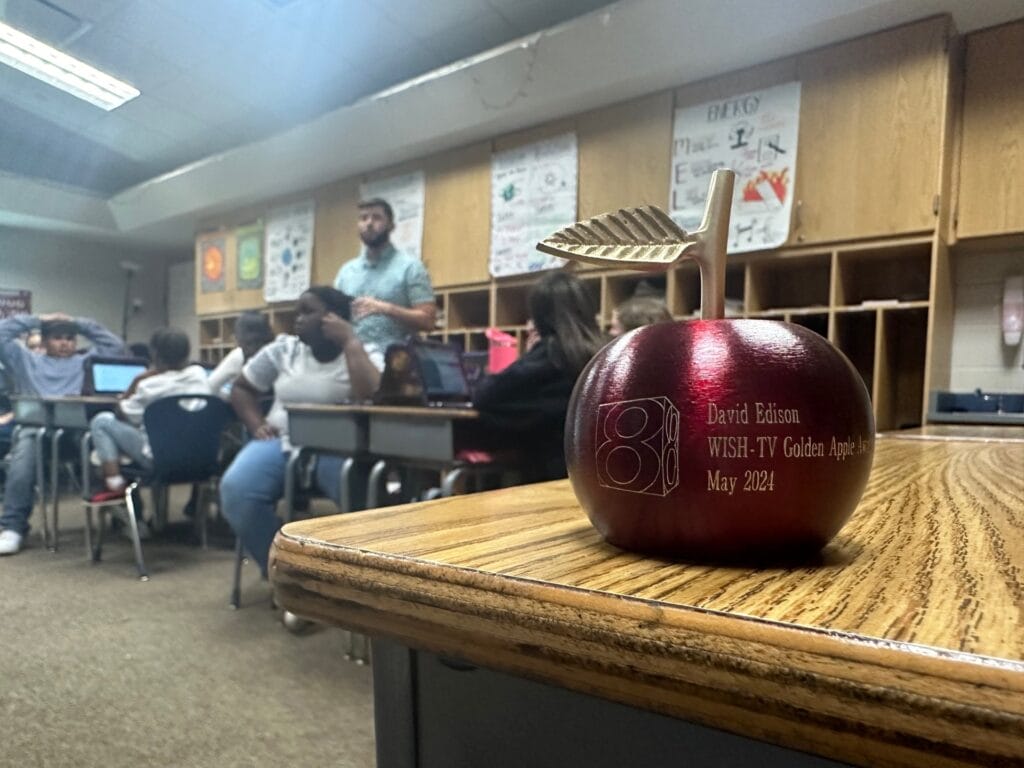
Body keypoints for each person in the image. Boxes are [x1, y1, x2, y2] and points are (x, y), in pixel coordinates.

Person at [219, 286, 383, 576]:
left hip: (341, 447)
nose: (298, 319)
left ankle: (356, 582)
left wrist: (350, 342)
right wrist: (256, 424)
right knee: (237, 490)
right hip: (281, 440)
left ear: (335, 317)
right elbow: (242, 389)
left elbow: (373, 397)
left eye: (308, 312)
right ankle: (288, 576)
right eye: (298, 312)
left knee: (367, 510)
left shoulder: (364, 349)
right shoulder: (284, 349)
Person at [0, 312, 124, 555]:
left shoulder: (85, 361)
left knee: (110, 447)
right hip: (37, 432)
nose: (65, 343)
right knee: (23, 453)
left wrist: (79, 322)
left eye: (70, 338)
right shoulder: (25, 360)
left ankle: (127, 518)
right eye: (57, 338)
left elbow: (115, 346)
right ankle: (13, 527)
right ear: (44, 341)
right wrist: (38, 319)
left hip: (77, 433)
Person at [471, 272, 605, 483]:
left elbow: (485, 396)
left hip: (551, 475)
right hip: (602, 477)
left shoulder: (550, 355)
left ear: (540, 317)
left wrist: (529, 355)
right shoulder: (606, 351)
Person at [87, 328, 212, 509]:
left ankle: (114, 483)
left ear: (155, 355)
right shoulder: (199, 375)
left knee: (101, 421)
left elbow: (123, 414)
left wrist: (136, 382)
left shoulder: (148, 386)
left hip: (159, 459)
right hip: (199, 458)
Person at [333, 198, 436, 349]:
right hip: (354, 359)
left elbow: (428, 320)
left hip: (396, 362)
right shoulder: (346, 272)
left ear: (391, 225)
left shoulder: (411, 267)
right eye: (363, 218)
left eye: (376, 217)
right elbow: (335, 317)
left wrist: (386, 309)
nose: (369, 223)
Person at [208, 311, 276, 398]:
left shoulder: (239, 355)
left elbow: (209, 387)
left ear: (239, 336)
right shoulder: (276, 352)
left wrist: (231, 398)